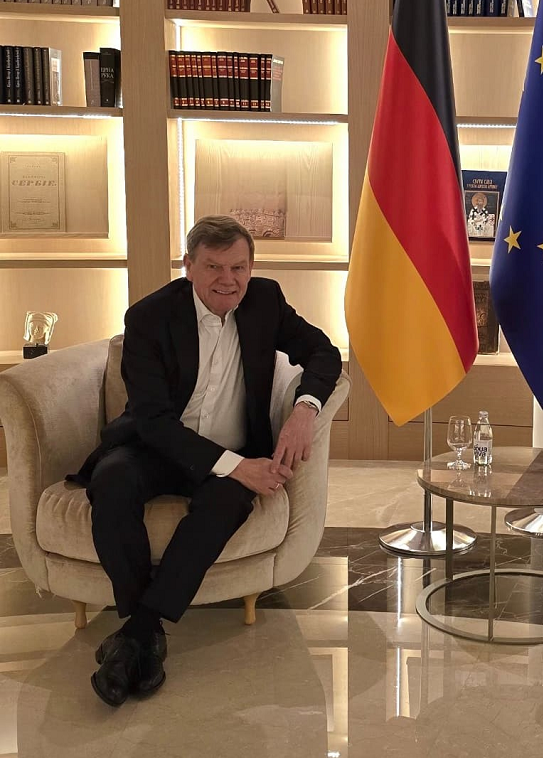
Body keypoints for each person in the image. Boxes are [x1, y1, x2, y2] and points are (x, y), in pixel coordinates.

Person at [70, 215, 342, 707]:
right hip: (157, 447)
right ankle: (145, 632)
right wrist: (237, 467)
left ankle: (137, 635)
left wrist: (305, 410)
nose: (227, 280)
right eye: (214, 266)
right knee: (111, 480)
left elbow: (324, 352)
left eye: (238, 267)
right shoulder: (150, 317)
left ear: (251, 268)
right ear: (189, 266)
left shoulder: (265, 301)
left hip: (235, 447)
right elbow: (153, 421)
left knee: (225, 504)